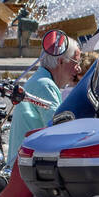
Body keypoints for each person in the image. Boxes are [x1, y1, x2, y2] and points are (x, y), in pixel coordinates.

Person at [8, 29, 80, 168]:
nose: (78, 69)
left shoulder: (40, 79)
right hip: (28, 169)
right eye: (75, 62)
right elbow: (60, 129)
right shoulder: (45, 85)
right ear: (60, 61)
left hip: (25, 164)